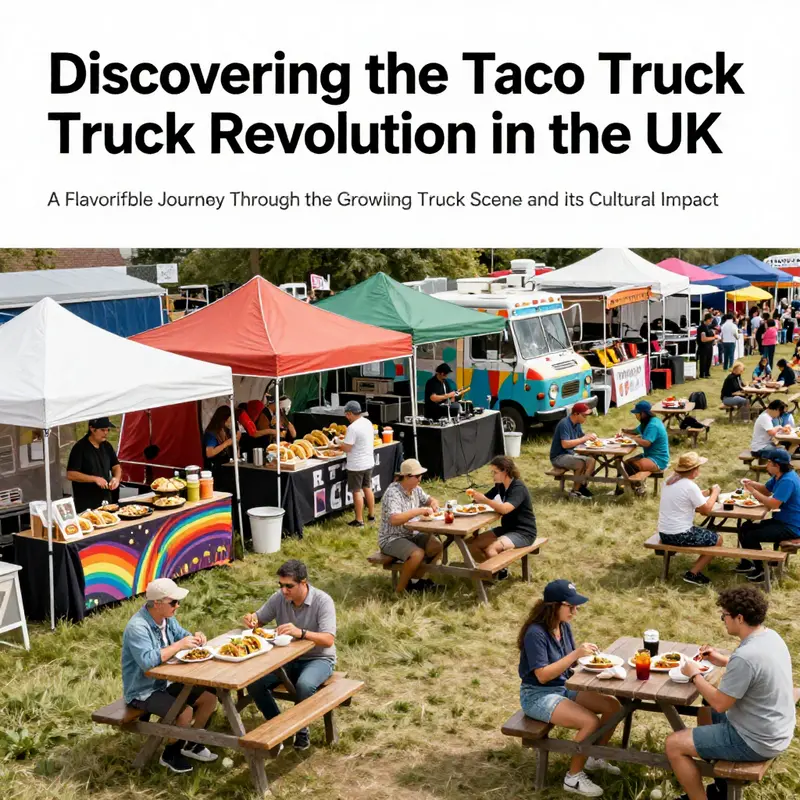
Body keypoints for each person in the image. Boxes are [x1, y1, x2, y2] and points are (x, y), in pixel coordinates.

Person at [666, 586, 795, 800]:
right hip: (776, 728)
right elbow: (757, 669)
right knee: (705, 713)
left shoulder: (745, 656)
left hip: (757, 740)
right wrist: (723, 660)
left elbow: (720, 704)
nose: (723, 620)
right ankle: (720, 789)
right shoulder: (771, 637)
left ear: (740, 618)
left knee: (673, 744)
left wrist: (694, 675)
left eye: (724, 615)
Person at [518, 580, 622, 798]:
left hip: (564, 685)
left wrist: (596, 662)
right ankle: (573, 778)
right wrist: (576, 654)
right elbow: (543, 675)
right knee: (590, 722)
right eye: (571, 606)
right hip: (538, 695)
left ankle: (594, 757)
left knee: (614, 707)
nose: (575, 611)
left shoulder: (563, 626)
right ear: (554, 606)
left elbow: (570, 664)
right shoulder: (535, 633)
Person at [121, 578, 218, 774]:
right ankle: (170, 754)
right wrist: (179, 645)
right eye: (173, 602)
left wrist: (196, 638)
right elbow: (147, 661)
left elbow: (183, 636)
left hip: (164, 684)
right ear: (157, 604)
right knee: (184, 712)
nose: (177, 605)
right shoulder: (137, 627)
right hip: (142, 692)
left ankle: (192, 743)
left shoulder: (167, 619)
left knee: (209, 698)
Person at [243, 560, 337, 751]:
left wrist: (300, 633)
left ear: (304, 583)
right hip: (285, 659)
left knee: (305, 685)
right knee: (254, 683)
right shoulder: (279, 597)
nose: (284, 590)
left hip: (318, 658)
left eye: (289, 586)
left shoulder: (323, 601)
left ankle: (301, 731)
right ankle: (279, 727)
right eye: (281, 585)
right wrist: (252, 620)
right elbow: (259, 620)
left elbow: (328, 639)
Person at [657, 452, 723, 586]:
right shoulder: (689, 486)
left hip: (664, 533)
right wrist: (715, 493)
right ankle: (693, 573)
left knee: (708, 534)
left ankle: (696, 567)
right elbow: (705, 510)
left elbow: (689, 496)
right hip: (679, 534)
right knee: (718, 539)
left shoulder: (669, 480)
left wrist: (708, 492)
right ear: (694, 470)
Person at [378, 458, 442, 594]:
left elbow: (430, 499)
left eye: (421, 475)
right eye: (417, 476)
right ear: (406, 477)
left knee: (437, 546)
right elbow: (394, 519)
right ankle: (399, 591)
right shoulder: (393, 493)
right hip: (392, 538)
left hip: (412, 534)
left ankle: (415, 581)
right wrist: (419, 511)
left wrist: (433, 503)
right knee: (417, 554)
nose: (420, 479)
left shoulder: (416, 489)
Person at [737, 448, 800, 581]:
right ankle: (748, 563)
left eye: (769, 462)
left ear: (777, 465)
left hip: (791, 527)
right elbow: (766, 490)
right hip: (781, 521)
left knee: (751, 535)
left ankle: (761, 571)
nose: (766, 465)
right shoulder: (779, 476)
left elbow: (773, 504)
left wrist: (753, 491)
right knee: (745, 527)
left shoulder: (788, 480)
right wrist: (751, 483)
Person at [467, 456, 538, 572]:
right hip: (507, 528)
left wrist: (484, 500)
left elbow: (505, 509)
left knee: (491, 549)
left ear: (505, 471)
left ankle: (498, 572)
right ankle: (491, 572)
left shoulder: (518, 488)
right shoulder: (500, 486)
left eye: (495, 472)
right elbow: (483, 499)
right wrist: (474, 497)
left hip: (524, 532)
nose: (493, 476)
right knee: (471, 544)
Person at [66, 417, 122, 513]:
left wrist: (116, 478)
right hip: (86, 503)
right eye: (102, 430)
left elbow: (116, 466)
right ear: (92, 429)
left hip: (106, 501)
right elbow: (71, 474)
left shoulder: (107, 446)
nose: (106, 433)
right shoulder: (79, 448)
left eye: (107, 430)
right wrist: (95, 479)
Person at [336, 400, 375, 527]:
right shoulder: (367, 422)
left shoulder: (352, 428)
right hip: (368, 462)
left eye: (347, 414)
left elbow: (347, 448)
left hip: (356, 465)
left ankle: (359, 520)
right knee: (367, 488)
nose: (346, 417)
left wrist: (337, 444)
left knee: (356, 491)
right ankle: (371, 515)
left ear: (350, 413)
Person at [619, 400, 670, 496]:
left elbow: (647, 443)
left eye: (637, 413)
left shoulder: (652, 425)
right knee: (623, 464)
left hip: (658, 459)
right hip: (649, 455)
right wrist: (624, 431)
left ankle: (636, 489)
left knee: (630, 466)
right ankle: (622, 489)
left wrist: (632, 438)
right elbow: (635, 431)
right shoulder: (646, 422)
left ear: (643, 413)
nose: (636, 416)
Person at [549, 402, 597, 500]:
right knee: (580, 463)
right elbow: (565, 444)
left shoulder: (577, 424)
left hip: (570, 454)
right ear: (576, 414)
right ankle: (575, 492)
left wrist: (590, 437)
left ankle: (581, 487)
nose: (586, 418)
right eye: (584, 415)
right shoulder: (564, 424)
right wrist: (584, 439)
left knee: (591, 460)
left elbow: (581, 437)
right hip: (559, 456)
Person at [203, 406, 239, 470]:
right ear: (221, 420)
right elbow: (209, 453)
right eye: (228, 421)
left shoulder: (226, 430)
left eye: (231, 421)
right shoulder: (211, 433)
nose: (230, 424)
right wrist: (226, 443)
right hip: (215, 468)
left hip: (226, 466)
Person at [695, 314, 717, 379]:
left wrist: (713, 340)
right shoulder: (702, 328)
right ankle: (702, 374)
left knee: (708, 360)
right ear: (707, 319)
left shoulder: (708, 327)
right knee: (703, 361)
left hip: (709, 346)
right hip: (703, 347)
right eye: (710, 320)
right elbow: (703, 339)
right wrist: (714, 338)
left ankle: (707, 373)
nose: (711, 322)